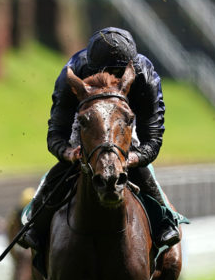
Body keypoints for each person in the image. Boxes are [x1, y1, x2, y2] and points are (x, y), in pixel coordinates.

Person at [19, 27, 184, 252]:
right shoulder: (72, 74)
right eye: (107, 72)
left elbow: (152, 139)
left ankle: (165, 220)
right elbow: (56, 133)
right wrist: (68, 153)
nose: (113, 80)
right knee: (61, 171)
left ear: (130, 68)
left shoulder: (145, 76)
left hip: (125, 124)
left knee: (140, 168)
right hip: (86, 123)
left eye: (119, 73)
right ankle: (35, 226)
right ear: (92, 69)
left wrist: (131, 158)